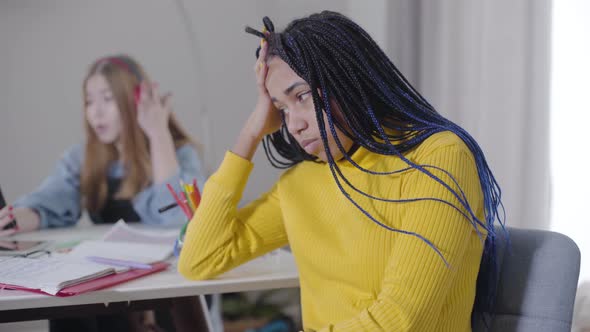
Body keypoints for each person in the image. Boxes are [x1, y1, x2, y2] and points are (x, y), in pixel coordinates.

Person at [178, 11, 505, 332]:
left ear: (346, 80)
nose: (294, 125)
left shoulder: (439, 157)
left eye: (302, 96)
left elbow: (402, 321)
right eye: (280, 109)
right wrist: (250, 134)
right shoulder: (300, 184)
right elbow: (200, 259)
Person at [0, 54, 208, 332]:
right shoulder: (83, 156)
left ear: (136, 102)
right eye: (89, 101)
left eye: (107, 99)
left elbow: (178, 220)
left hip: (166, 283)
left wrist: (158, 133)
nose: (95, 112)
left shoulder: (180, 153)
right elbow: (51, 199)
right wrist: (16, 218)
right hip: (111, 278)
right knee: (69, 308)